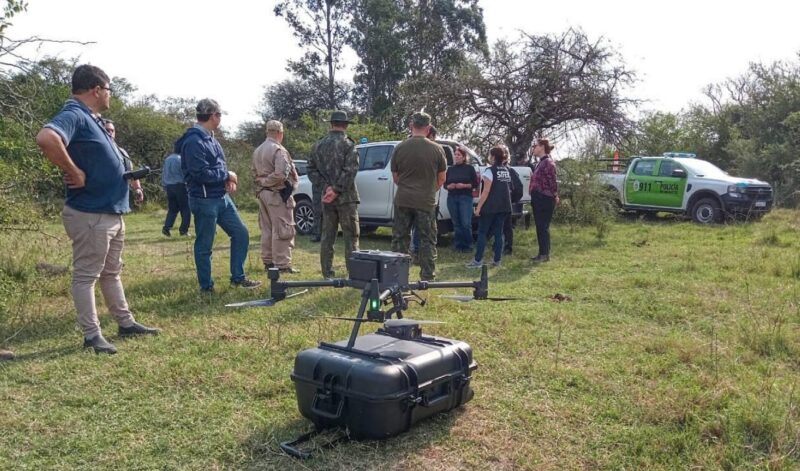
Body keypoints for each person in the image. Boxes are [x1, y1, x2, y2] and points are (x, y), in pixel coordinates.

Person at [35, 64, 160, 354]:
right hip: (91, 212)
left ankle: (125, 323)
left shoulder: (92, 118)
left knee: (111, 272)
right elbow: (47, 137)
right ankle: (92, 336)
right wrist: (74, 171)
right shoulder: (75, 114)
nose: (110, 95)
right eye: (108, 90)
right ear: (96, 90)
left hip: (109, 211)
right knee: (86, 275)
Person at [176, 98, 261, 292]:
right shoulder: (194, 141)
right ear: (213, 115)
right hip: (204, 200)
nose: (220, 118)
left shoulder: (211, 138)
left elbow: (219, 164)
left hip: (221, 197)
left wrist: (227, 179)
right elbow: (200, 174)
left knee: (240, 233)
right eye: (220, 114)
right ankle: (206, 287)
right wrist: (227, 175)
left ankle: (238, 278)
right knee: (205, 245)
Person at [390, 112, 447, 281]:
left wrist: (407, 187)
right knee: (427, 239)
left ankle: (397, 276)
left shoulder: (400, 147)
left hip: (403, 199)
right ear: (428, 128)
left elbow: (395, 177)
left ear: (411, 126)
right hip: (426, 201)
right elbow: (442, 178)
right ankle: (427, 276)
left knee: (400, 238)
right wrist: (429, 190)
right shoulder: (437, 149)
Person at [308, 111, 360, 279]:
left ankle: (327, 273)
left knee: (327, 237)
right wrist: (336, 189)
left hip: (327, 199)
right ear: (345, 125)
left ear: (331, 124)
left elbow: (311, 170)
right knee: (351, 237)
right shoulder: (348, 145)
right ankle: (354, 273)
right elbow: (350, 170)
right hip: (346, 199)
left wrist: (327, 188)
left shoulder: (318, 145)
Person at [252, 120, 299, 274]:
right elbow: (281, 173)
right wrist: (268, 182)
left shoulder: (258, 150)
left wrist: (262, 183)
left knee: (267, 229)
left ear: (267, 132)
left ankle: (268, 261)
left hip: (263, 193)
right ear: (280, 133)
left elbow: (254, 173)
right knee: (283, 228)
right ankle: (282, 264)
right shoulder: (278, 150)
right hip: (276, 193)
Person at [466, 147, 512, 268]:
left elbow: (486, 191)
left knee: (482, 233)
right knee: (499, 233)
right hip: (504, 206)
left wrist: (478, 207)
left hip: (490, 206)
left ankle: (477, 260)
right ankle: (497, 260)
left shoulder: (489, 171)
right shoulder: (506, 170)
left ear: (493, 157)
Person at [529, 138, 559, 262]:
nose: (533, 148)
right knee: (540, 226)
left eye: (535, 146)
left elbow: (553, 182)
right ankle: (542, 253)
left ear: (542, 147)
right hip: (538, 198)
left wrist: (555, 195)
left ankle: (544, 254)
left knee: (543, 226)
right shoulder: (540, 162)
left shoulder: (548, 163)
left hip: (545, 198)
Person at [102, 119, 144, 206]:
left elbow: (130, 172)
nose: (110, 133)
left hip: (119, 200)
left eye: (112, 130)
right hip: (99, 200)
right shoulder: (93, 151)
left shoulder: (122, 152)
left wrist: (137, 188)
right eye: (107, 130)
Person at [444, 145, 477, 252]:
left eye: (458, 155)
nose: (456, 156)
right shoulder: (450, 169)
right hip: (452, 197)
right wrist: (449, 186)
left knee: (465, 223)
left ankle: (468, 245)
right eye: (455, 155)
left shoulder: (469, 169)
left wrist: (464, 185)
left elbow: (475, 184)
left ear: (464, 157)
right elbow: (445, 184)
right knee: (456, 223)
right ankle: (458, 245)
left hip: (465, 197)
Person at [161, 152, 191, 236]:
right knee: (186, 209)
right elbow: (184, 172)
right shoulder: (181, 159)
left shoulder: (168, 159)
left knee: (172, 209)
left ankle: (167, 227)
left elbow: (164, 173)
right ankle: (184, 230)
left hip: (169, 186)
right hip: (180, 185)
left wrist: (164, 184)